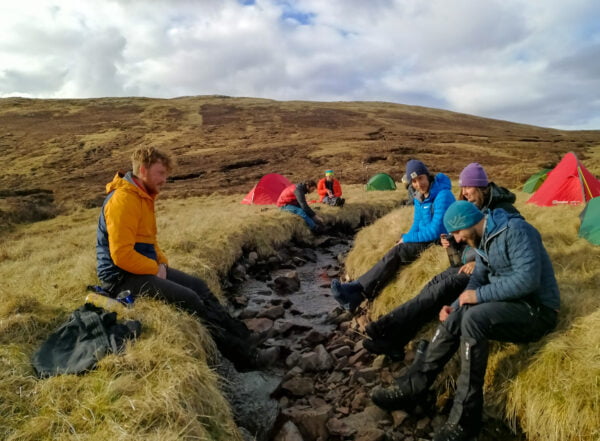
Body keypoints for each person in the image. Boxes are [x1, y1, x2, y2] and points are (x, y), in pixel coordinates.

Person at [371, 200, 560, 441]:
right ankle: (413, 387)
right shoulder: (482, 240)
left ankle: (465, 420)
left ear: (468, 222)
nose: (457, 240)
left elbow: (527, 281)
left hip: (538, 310)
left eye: (458, 232)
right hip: (513, 303)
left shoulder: (517, 231)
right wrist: (455, 304)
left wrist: (478, 297)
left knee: (474, 319)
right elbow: (477, 280)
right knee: (459, 315)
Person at [96, 146, 277, 371]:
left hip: (141, 268)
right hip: (121, 277)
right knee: (190, 299)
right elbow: (121, 255)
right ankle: (246, 359)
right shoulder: (123, 200)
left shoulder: (142, 197)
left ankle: (244, 336)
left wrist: (161, 263)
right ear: (143, 170)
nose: (165, 179)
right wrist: (154, 269)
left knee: (199, 286)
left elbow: (149, 241)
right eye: (161, 173)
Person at [363, 163, 519, 360]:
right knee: (431, 287)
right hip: (467, 265)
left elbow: (507, 248)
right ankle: (395, 341)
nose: (464, 193)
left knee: (438, 292)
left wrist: (479, 263)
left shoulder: (505, 211)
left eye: (468, 187)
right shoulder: (476, 205)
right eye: (462, 188)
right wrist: (454, 242)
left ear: (481, 186)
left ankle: (383, 327)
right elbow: (473, 243)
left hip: (488, 274)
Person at [331, 159, 455, 313]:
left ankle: (357, 290)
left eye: (421, 178)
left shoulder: (443, 195)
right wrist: (405, 237)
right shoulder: (419, 197)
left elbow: (435, 230)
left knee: (397, 253)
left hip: (440, 240)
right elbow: (416, 224)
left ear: (428, 176)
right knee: (396, 249)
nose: (418, 184)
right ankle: (359, 293)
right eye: (414, 181)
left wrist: (407, 239)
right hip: (427, 238)